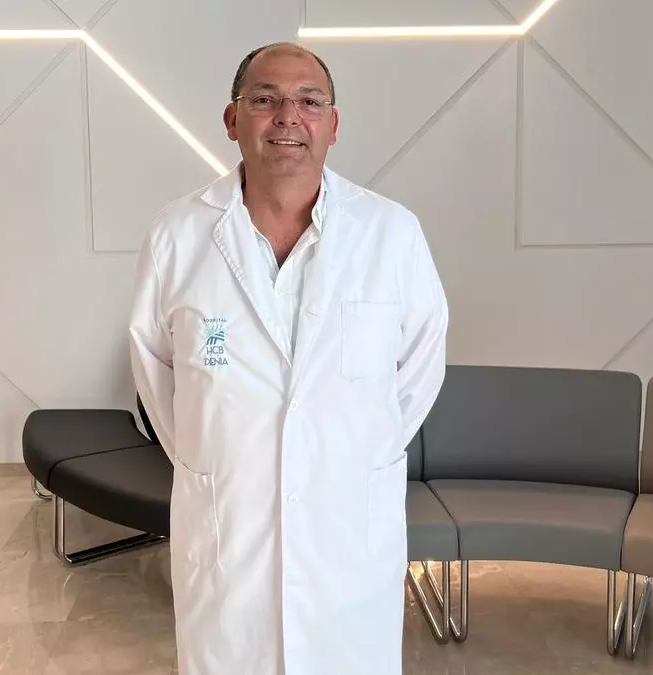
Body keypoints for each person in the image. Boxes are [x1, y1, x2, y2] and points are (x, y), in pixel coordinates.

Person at [128, 41, 449, 675]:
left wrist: (351, 451)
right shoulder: (177, 233)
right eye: (265, 99)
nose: (288, 117)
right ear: (231, 119)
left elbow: (419, 368)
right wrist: (216, 453)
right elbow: (155, 367)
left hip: (347, 535)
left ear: (334, 124)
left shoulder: (391, 233)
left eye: (309, 101)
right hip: (228, 530)